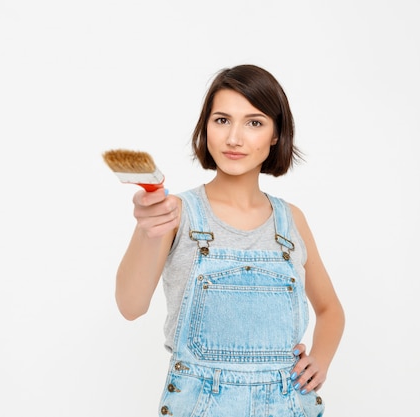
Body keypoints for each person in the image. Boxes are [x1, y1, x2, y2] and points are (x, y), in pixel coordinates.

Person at [115, 64, 345, 417]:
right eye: (222, 120)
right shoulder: (178, 212)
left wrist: (321, 361)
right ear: (205, 126)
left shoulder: (291, 220)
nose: (234, 138)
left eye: (254, 122)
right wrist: (148, 229)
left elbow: (330, 310)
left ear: (275, 134)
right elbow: (130, 306)